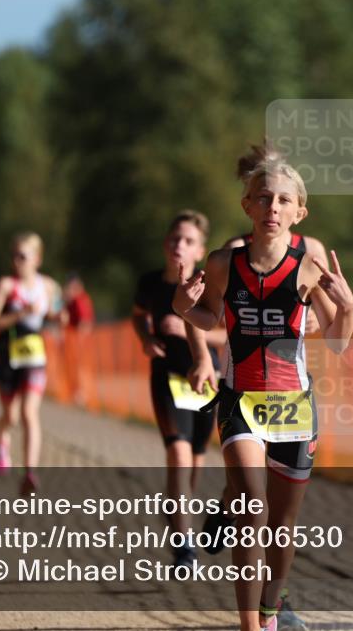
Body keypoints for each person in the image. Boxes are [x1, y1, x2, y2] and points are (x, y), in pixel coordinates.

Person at [174, 141, 353, 631]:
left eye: (282, 199)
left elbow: (337, 342)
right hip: (240, 399)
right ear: (247, 203)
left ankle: (273, 610)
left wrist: (347, 309)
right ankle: (251, 625)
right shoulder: (224, 260)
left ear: (299, 210)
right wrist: (181, 309)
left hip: (294, 403)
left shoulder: (311, 262)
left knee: (280, 524)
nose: (272, 207)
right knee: (253, 509)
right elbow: (206, 314)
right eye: (263, 197)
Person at [133, 210, 226, 568]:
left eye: (188, 241)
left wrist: (189, 327)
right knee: (178, 456)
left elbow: (226, 334)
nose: (179, 246)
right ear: (164, 245)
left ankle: (175, 513)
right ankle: (185, 548)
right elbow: (137, 314)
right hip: (167, 376)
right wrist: (146, 337)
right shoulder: (150, 283)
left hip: (205, 380)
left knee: (194, 467)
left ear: (201, 251)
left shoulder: (209, 287)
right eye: (174, 239)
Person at [0, 232, 63, 495]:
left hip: (33, 354)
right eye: (14, 256)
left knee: (29, 413)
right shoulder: (7, 286)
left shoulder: (49, 286)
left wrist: (58, 317)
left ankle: (29, 472)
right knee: (10, 415)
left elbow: (51, 314)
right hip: (6, 353)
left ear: (37, 259)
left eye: (23, 256)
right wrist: (20, 313)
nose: (17, 261)